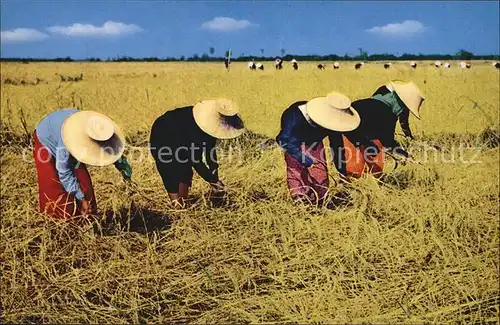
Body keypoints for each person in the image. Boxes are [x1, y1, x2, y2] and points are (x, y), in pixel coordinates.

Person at [33, 109, 132, 220]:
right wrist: (81, 198)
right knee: (53, 187)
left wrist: (124, 170)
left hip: (65, 132)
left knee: (83, 182)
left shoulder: (99, 129)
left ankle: (87, 219)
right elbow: (63, 171)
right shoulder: (68, 138)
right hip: (46, 138)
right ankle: (59, 223)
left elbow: (112, 151)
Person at [149, 99, 245, 208]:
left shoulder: (211, 127)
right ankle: (177, 205)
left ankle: (182, 203)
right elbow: (195, 160)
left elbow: (210, 151)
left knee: (185, 172)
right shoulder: (195, 125)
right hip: (164, 134)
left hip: (183, 135)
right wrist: (211, 179)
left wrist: (215, 174)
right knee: (171, 170)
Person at [276, 92, 361, 205]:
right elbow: (283, 139)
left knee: (320, 175)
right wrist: (302, 158)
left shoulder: (334, 122)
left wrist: (342, 170)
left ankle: (320, 202)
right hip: (294, 142)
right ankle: (300, 203)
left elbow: (337, 146)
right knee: (297, 172)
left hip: (315, 143)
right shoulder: (295, 116)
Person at [343, 81, 425, 178]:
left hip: (345, 132)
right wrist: (404, 155)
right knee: (365, 168)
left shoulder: (363, 102)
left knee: (351, 170)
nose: (402, 111)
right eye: (404, 108)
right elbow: (388, 141)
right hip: (356, 138)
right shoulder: (388, 115)